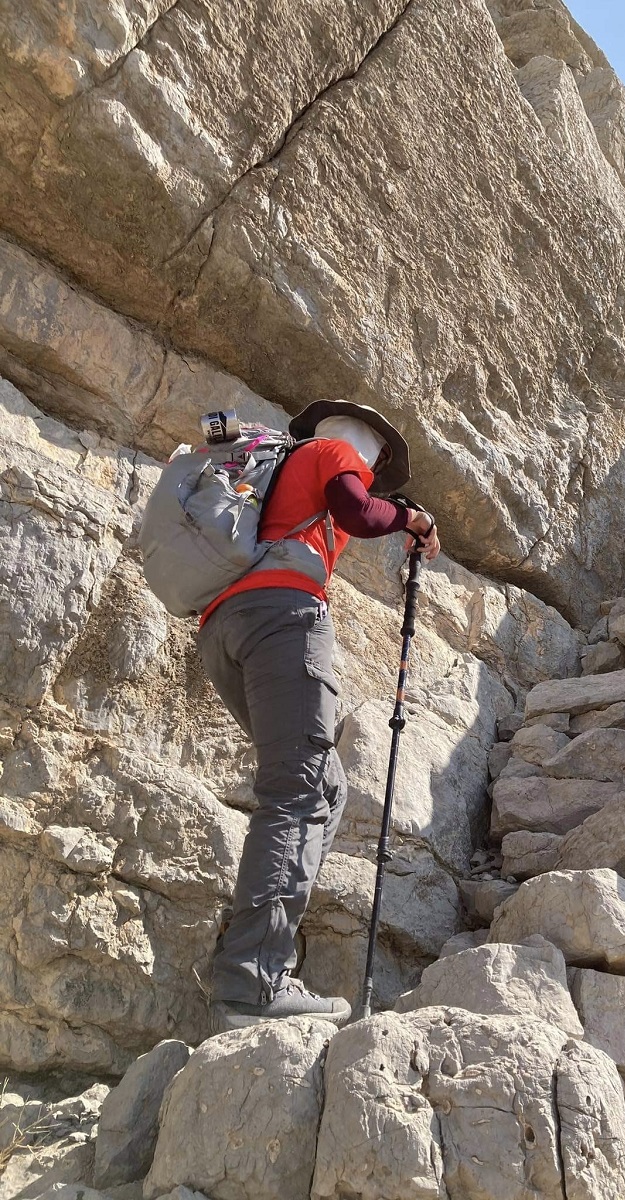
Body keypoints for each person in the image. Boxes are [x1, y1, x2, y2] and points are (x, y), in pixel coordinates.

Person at [198, 400, 440, 1029]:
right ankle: (252, 980)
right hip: (282, 619)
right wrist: (410, 517)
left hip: (225, 626)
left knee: (323, 786)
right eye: (377, 460)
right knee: (300, 792)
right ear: (368, 449)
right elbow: (358, 511)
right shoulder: (332, 454)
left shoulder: (279, 472)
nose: (372, 469)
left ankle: (246, 950)